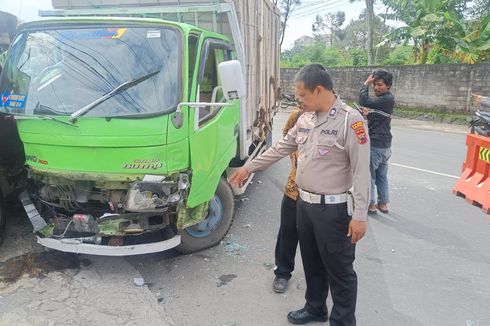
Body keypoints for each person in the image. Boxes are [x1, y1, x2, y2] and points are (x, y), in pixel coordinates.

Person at [230, 64, 370, 326]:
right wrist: (249, 166)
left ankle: (342, 321)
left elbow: (362, 172)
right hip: (304, 205)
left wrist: (360, 215)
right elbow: (281, 148)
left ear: (319, 90)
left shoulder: (351, 121)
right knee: (312, 262)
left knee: (340, 271)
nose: (299, 101)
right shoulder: (305, 119)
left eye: (302, 95)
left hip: (333, 210)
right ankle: (315, 307)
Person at [272, 106, 302, 293]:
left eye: (304, 95)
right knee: (288, 232)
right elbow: (286, 136)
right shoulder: (297, 115)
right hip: (293, 189)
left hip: (320, 196)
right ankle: (282, 272)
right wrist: (294, 156)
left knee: (320, 239)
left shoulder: (340, 117)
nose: (300, 101)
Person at [359, 69, 394, 215]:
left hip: (376, 144)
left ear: (388, 86)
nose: (376, 88)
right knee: (381, 175)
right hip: (385, 145)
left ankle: (371, 204)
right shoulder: (386, 99)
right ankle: (384, 203)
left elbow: (364, 101)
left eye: (379, 84)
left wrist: (365, 83)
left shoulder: (386, 98)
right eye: (374, 85)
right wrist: (369, 113)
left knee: (370, 176)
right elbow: (378, 115)